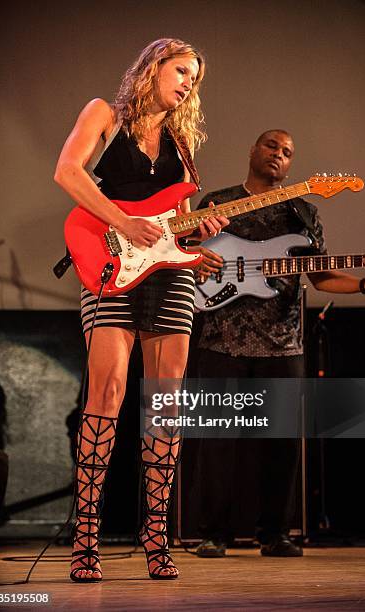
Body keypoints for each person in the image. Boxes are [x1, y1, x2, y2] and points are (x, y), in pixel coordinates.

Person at [54, 38, 228, 582]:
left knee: (166, 401)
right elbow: (67, 172)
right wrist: (124, 222)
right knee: (106, 392)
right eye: (181, 71)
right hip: (108, 260)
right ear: (154, 67)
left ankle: (157, 539)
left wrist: (197, 238)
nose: (187, 84)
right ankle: (85, 541)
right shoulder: (103, 113)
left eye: (194, 79)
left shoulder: (180, 140)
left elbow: (173, 218)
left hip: (169, 274)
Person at [191, 129, 365, 558]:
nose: (278, 155)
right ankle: (213, 533)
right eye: (271, 146)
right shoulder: (216, 203)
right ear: (252, 149)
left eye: (287, 152)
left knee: (282, 443)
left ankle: (276, 532)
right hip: (220, 337)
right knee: (217, 441)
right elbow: (186, 258)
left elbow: (320, 274)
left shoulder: (304, 213)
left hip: (283, 343)